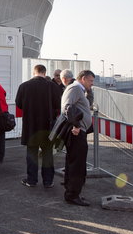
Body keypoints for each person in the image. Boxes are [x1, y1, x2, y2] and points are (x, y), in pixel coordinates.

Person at [15, 64, 60, 188]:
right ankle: (48, 181)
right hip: (47, 125)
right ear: (45, 73)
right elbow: (58, 104)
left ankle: (31, 180)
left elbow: (18, 103)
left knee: (32, 153)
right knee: (47, 154)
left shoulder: (24, 86)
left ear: (34, 72)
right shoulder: (52, 86)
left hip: (31, 125)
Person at [61, 70, 95, 206]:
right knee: (77, 164)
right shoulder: (75, 88)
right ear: (83, 79)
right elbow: (67, 107)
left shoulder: (78, 89)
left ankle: (72, 191)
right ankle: (72, 195)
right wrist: (75, 125)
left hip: (78, 130)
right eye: (91, 81)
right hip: (76, 131)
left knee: (74, 161)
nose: (92, 84)